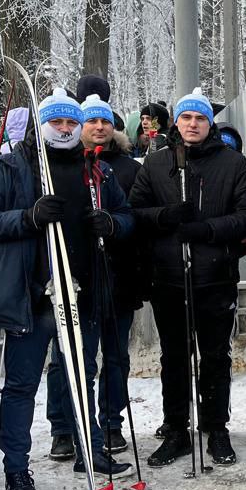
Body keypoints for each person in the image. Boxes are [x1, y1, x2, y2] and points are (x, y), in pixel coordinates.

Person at [0, 88, 135, 490]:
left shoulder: (96, 172)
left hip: (82, 294)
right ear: (42, 124)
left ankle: (88, 450)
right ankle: (17, 469)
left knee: (81, 376)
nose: (64, 128)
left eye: (71, 122)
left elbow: (127, 217)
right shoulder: (9, 167)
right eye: (56, 121)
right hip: (30, 296)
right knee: (22, 385)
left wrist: (110, 224)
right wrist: (27, 217)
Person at [130, 87, 246, 468]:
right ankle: (175, 430)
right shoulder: (156, 164)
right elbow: (136, 212)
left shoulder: (232, 162)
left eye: (200, 118)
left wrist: (208, 230)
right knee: (174, 357)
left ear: (209, 123)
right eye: (186, 117)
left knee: (216, 356)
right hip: (169, 278)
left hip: (214, 276)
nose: (192, 124)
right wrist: (164, 217)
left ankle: (216, 426)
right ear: (177, 122)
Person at [50, 92, 142, 457]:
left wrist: (114, 224)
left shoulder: (128, 168)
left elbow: (133, 216)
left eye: (105, 120)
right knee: (70, 358)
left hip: (117, 275)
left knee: (116, 355)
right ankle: (63, 427)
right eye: (91, 121)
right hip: (74, 278)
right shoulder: (58, 165)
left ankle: (111, 422)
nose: (99, 127)